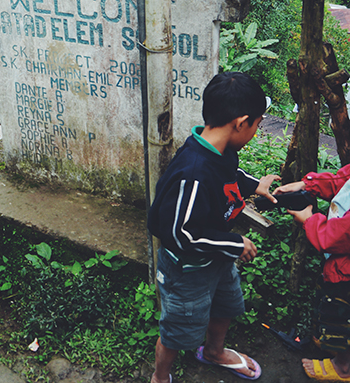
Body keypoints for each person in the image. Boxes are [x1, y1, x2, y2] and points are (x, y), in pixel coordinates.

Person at [147, 71, 279, 382]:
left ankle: (214, 351)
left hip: (215, 258)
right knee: (176, 332)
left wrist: (255, 185)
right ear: (241, 123)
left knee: (226, 305)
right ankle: (160, 377)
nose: (256, 131)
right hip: (187, 271)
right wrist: (235, 244)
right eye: (258, 124)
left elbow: (229, 175)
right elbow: (181, 234)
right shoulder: (193, 173)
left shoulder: (220, 151)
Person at [276, 164, 350, 381]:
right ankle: (334, 344)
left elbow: (336, 236)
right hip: (340, 265)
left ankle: (343, 367)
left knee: (342, 316)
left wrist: (310, 220)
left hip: (346, 274)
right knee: (333, 312)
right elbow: (342, 180)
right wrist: (307, 184)